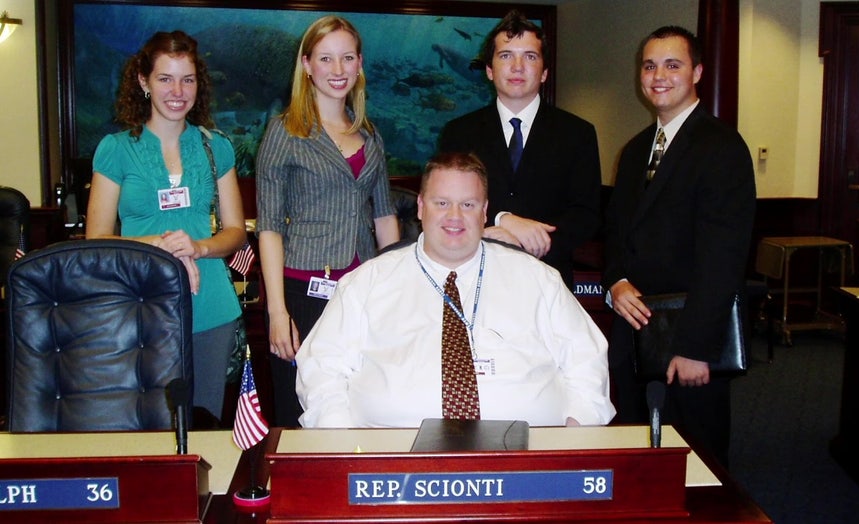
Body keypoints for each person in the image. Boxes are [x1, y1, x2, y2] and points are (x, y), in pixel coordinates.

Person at [295, 152, 615, 428]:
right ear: (420, 206)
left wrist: (573, 438)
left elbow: (587, 362)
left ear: (485, 211)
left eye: (468, 204)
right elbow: (321, 370)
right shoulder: (365, 284)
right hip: (392, 468)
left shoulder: (539, 281)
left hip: (527, 467)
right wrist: (347, 451)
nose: (454, 217)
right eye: (442, 203)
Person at [602, 26, 756, 467]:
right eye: (649, 66)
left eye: (673, 65)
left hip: (693, 335)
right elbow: (616, 232)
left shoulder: (722, 146)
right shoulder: (634, 152)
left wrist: (694, 347)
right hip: (633, 327)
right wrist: (615, 281)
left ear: (698, 72)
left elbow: (724, 258)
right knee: (633, 448)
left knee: (697, 457)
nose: (658, 76)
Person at [87, 31, 246, 421]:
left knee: (207, 424)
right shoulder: (116, 149)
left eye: (187, 79)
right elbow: (96, 240)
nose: (178, 90)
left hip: (211, 307)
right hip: (141, 307)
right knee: (148, 427)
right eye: (165, 78)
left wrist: (198, 246)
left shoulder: (217, 146)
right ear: (143, 81)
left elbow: (236, 231)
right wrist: (160, 243)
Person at [256, 16, 400, 427]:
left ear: (359, 65)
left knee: (358, 403)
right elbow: (268, 227)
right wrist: (277, 312)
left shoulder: (370, 134)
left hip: (362, 290)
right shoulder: (284, 131)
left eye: (347, 58)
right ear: (306, 65)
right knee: (300, 408)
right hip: (303, 290)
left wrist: (395, 293)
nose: (337, 70)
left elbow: (385, 216)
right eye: (326, 58)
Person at [438, 9, 601, 288]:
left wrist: (531, 239)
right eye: (505, 56)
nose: (517, 66)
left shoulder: (578, 134)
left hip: (548, 280)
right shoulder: (457, 133)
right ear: (489, 70)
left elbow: (586, 214)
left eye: (530, 56)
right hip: (473, 277)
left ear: (545, 72)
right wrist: (504, 219)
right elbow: (445, 205)